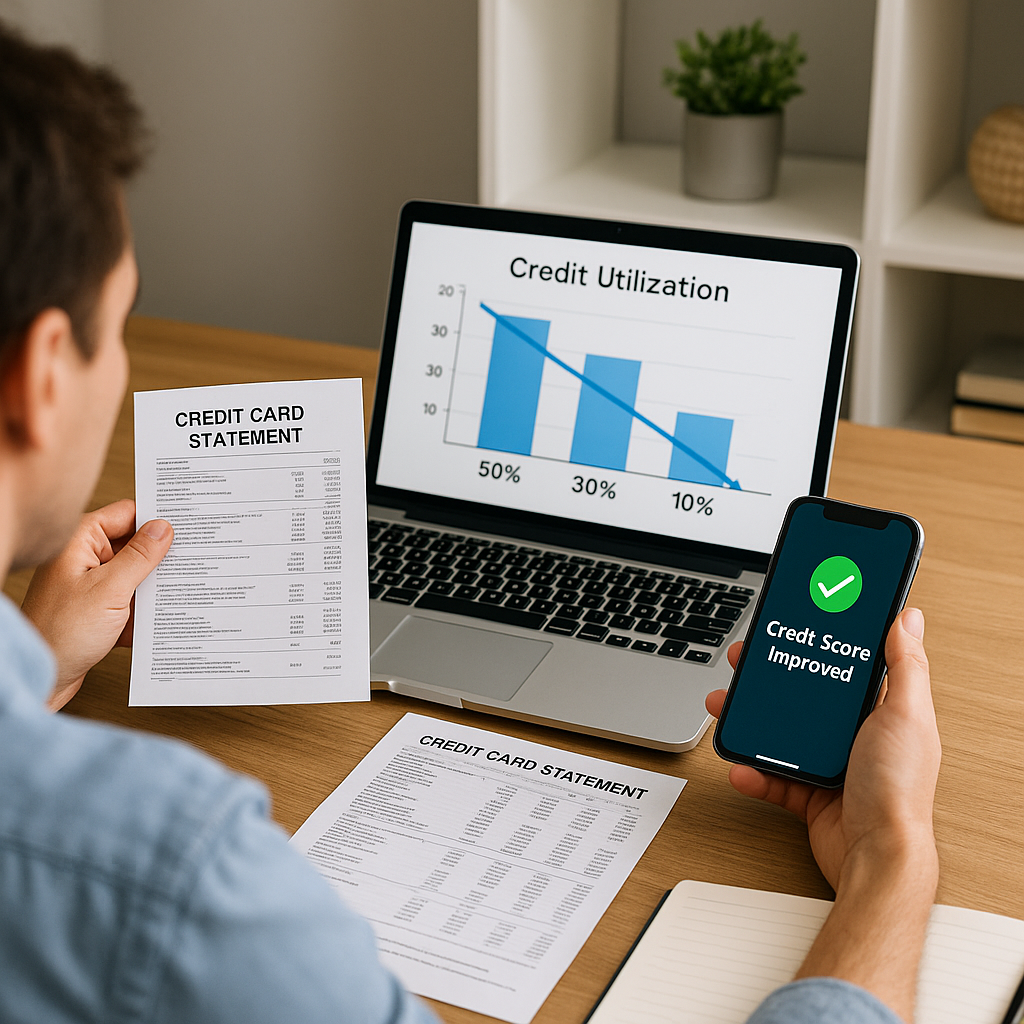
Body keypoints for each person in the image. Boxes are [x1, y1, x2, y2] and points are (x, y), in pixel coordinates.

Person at [0, 20, 940, 1024]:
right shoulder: (176, 874)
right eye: (128, 318)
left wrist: (41, 668)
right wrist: (890, 859)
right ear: (43, 374)